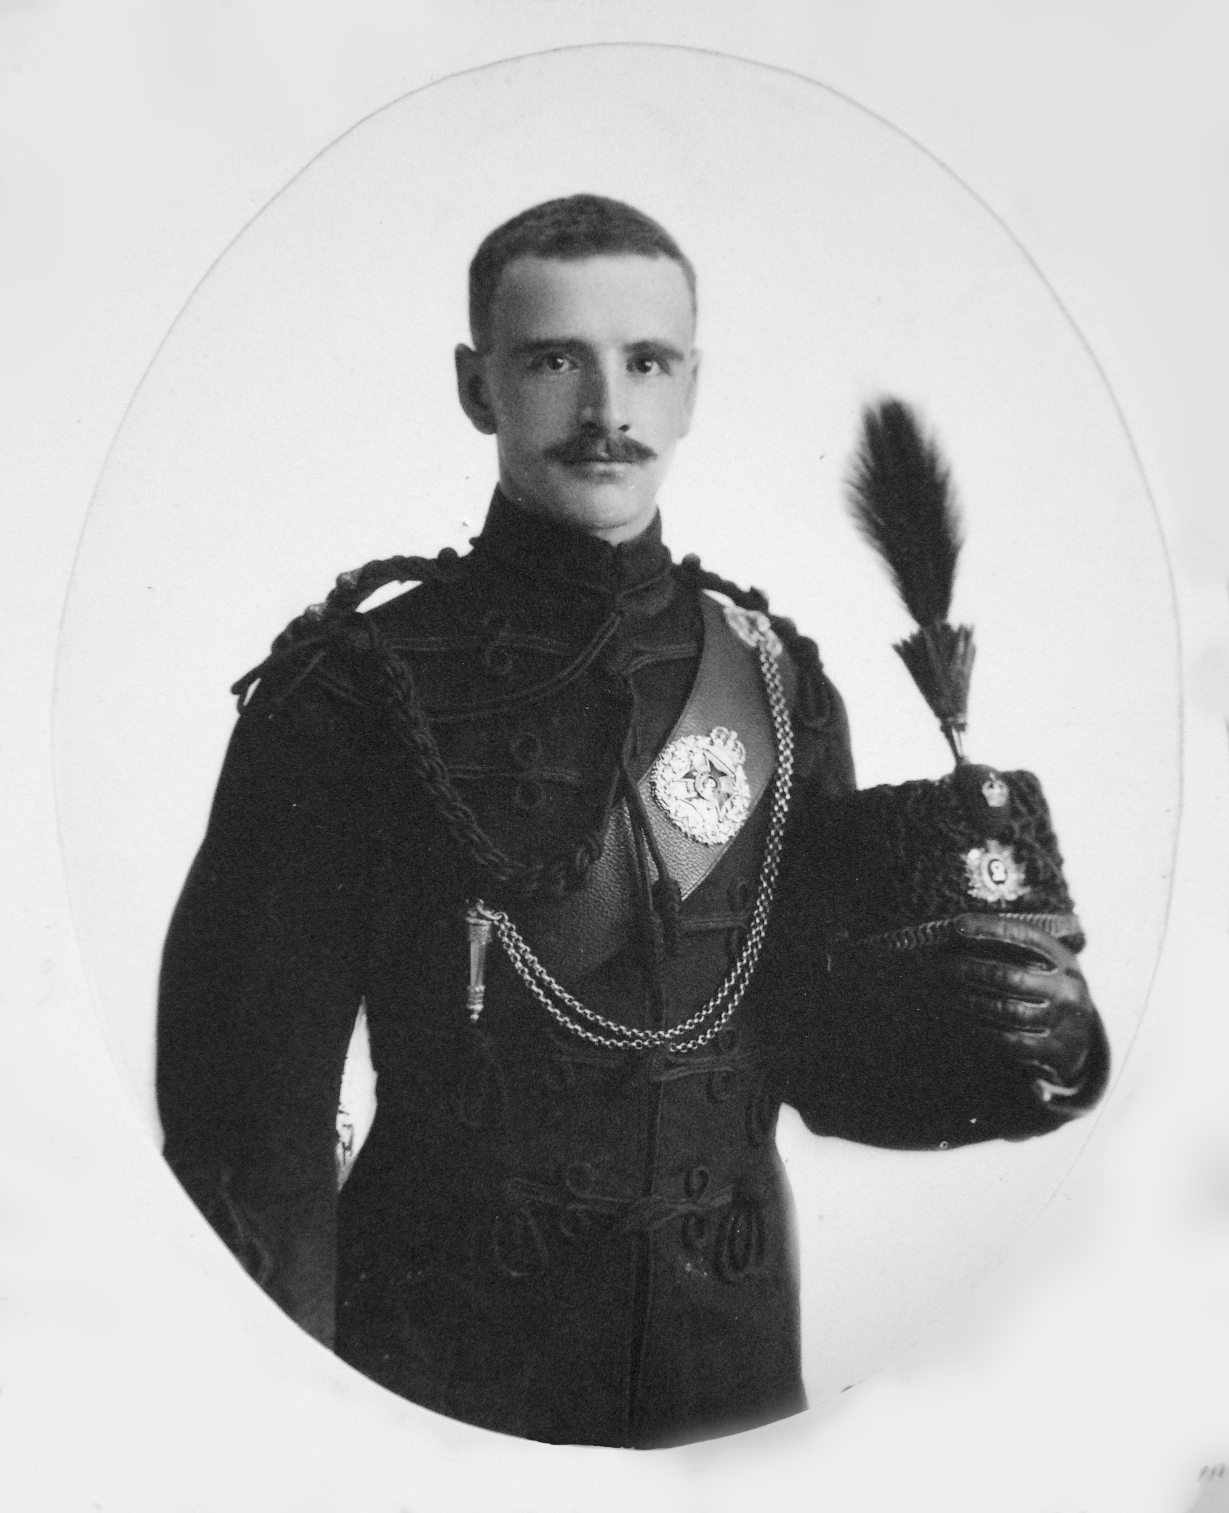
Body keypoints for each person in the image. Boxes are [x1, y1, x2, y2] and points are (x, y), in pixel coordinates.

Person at [157, 194, 1109, 1449]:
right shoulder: (349, 692)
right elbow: (247, 1117)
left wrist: (1038, 1046)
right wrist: (298, 1423)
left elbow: (822, 1060)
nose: (606, 409)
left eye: (646, 362)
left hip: (725, 1360)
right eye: (555, 361)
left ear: (690, 388)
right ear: (477, 386)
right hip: (441, 1360)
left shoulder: (775, 681)